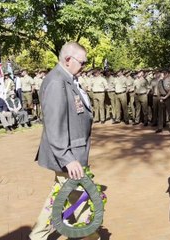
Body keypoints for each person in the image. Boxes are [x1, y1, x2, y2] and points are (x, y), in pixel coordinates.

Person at [30, 42, 98, 240]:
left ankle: (40, 235)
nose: (84, 66)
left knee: (65, 194)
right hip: (68, 154)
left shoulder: (67, 78)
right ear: (68, 60)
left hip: (74, 151)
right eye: (82, 62)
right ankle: (88, 234)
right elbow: (54, 125)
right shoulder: (57, 82)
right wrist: (68, 158)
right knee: (78, 193)